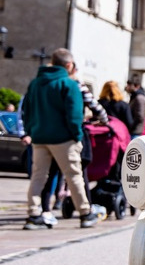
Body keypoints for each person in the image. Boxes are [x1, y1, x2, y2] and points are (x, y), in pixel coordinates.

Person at [19, 48, 99, 229]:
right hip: (64, 138)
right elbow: (74, 115)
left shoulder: (36, 83)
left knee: (38, 176)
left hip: (39, 137)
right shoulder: (68, 84)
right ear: (69, 65)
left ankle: (33, 214)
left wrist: (31, 130)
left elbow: (27, 111)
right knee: (73, 175)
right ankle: (85, 213)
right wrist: (76, 135)